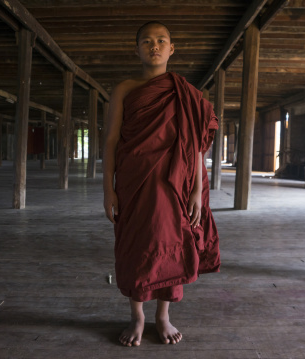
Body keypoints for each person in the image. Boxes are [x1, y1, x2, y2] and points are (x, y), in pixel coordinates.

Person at [102, 21, 220, 347]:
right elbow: (111, 140)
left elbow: (195, 146)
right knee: (136, 245)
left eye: (161, 40)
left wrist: (196, 190)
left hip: (176, 184)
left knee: (171, 244)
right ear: (136, 48)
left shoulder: (189, 94)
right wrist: (107, 188)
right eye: (147, 41)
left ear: (172, 48)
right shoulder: (124, 89)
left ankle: (163, 315)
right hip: (133, 181)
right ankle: (137, 315)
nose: (154, 45)